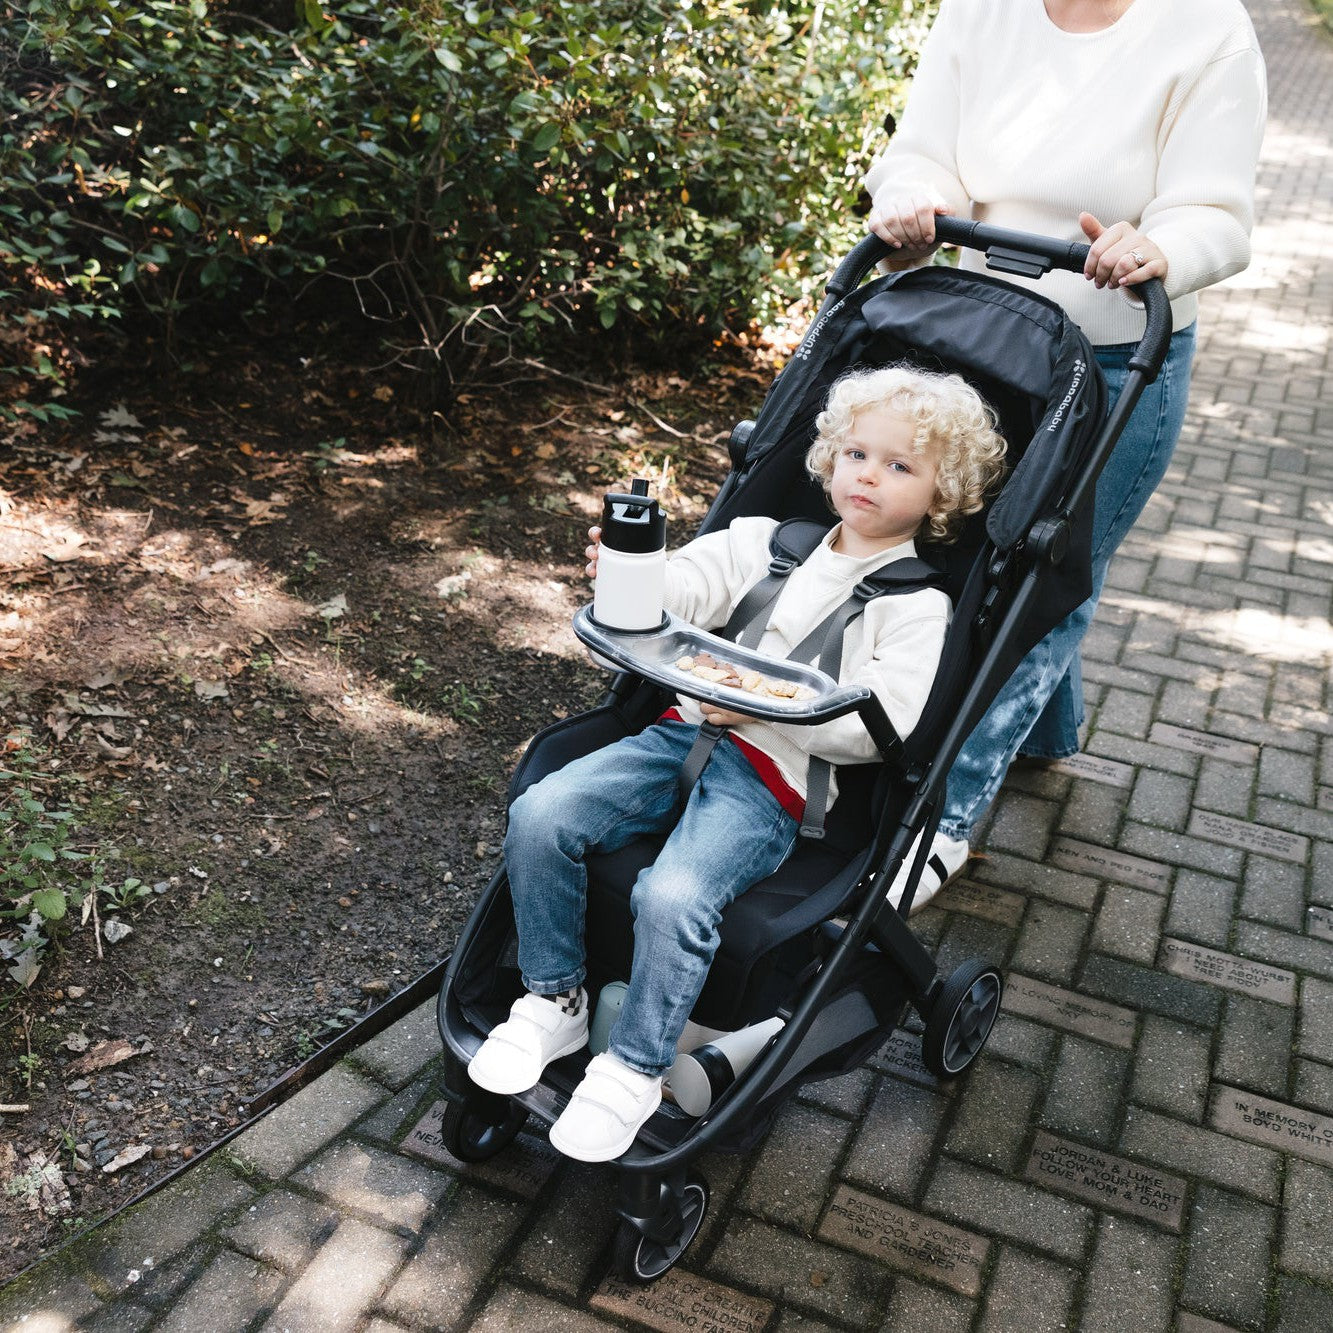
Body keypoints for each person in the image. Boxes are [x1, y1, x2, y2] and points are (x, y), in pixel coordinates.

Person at [467, 366, 1007, 1161]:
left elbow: (885, 724)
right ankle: (555, 998)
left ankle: (635, 1066)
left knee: (673, 892)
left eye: (900, 465)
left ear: (940, 493)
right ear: (830, 456)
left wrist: (766, 707)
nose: (868, 475)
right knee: (541, 812)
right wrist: (633, 572)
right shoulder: (767, 544)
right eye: (857, 453)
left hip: (774, 780)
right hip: (676, 736)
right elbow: (687, 584)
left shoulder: (915, 608)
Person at [861, 0, 1267, 893]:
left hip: (1122, 359)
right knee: (978, 557)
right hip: (984, 337)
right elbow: (924, 150)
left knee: (1045, 583)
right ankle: (1044, 728)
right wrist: (912, 192)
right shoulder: (980, 11)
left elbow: (1216, 212)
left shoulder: (1206, 29)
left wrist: (1160, 245)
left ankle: (942, 823)